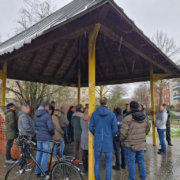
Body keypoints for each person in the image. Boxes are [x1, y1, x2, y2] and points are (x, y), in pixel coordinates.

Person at [89, 97, 118, 180]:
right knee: (108, 163)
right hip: (108, 141)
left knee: (97, 163)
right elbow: (115, 129)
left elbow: (90, 127)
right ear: (107, 103)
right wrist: (110, 136)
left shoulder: (94, 114)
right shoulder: (112, 114)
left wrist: (96, 134)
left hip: (98, 141)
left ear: (100, 103)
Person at [120, 101, 150, 180]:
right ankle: (143, 178)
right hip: (141, 144)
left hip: (130, 146)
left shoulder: (126, 118)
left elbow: (123, 134)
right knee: (141, 162)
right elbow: (147, 130)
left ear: (130, 108)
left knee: (131, 164)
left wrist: (122, 141)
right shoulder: (144, 117)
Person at [34, 102, 54, 179]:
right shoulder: (47, 116)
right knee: (45, 155)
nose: (48, 108)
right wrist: (52, 134)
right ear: (45, 107)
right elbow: (51, 128)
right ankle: (43, 173)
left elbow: (35, 126)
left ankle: (37, 171)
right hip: (46, 138)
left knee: (38, 154)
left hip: (39, 137)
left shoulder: (36, 115)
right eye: (48, 107)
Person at [80, 107, 89, 173]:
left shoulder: (81, 118)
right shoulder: (90, 119)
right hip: (89, 137)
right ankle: (90, 166)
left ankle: (85, 168)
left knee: (84, 153)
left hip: (83, 135)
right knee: (90, 153)